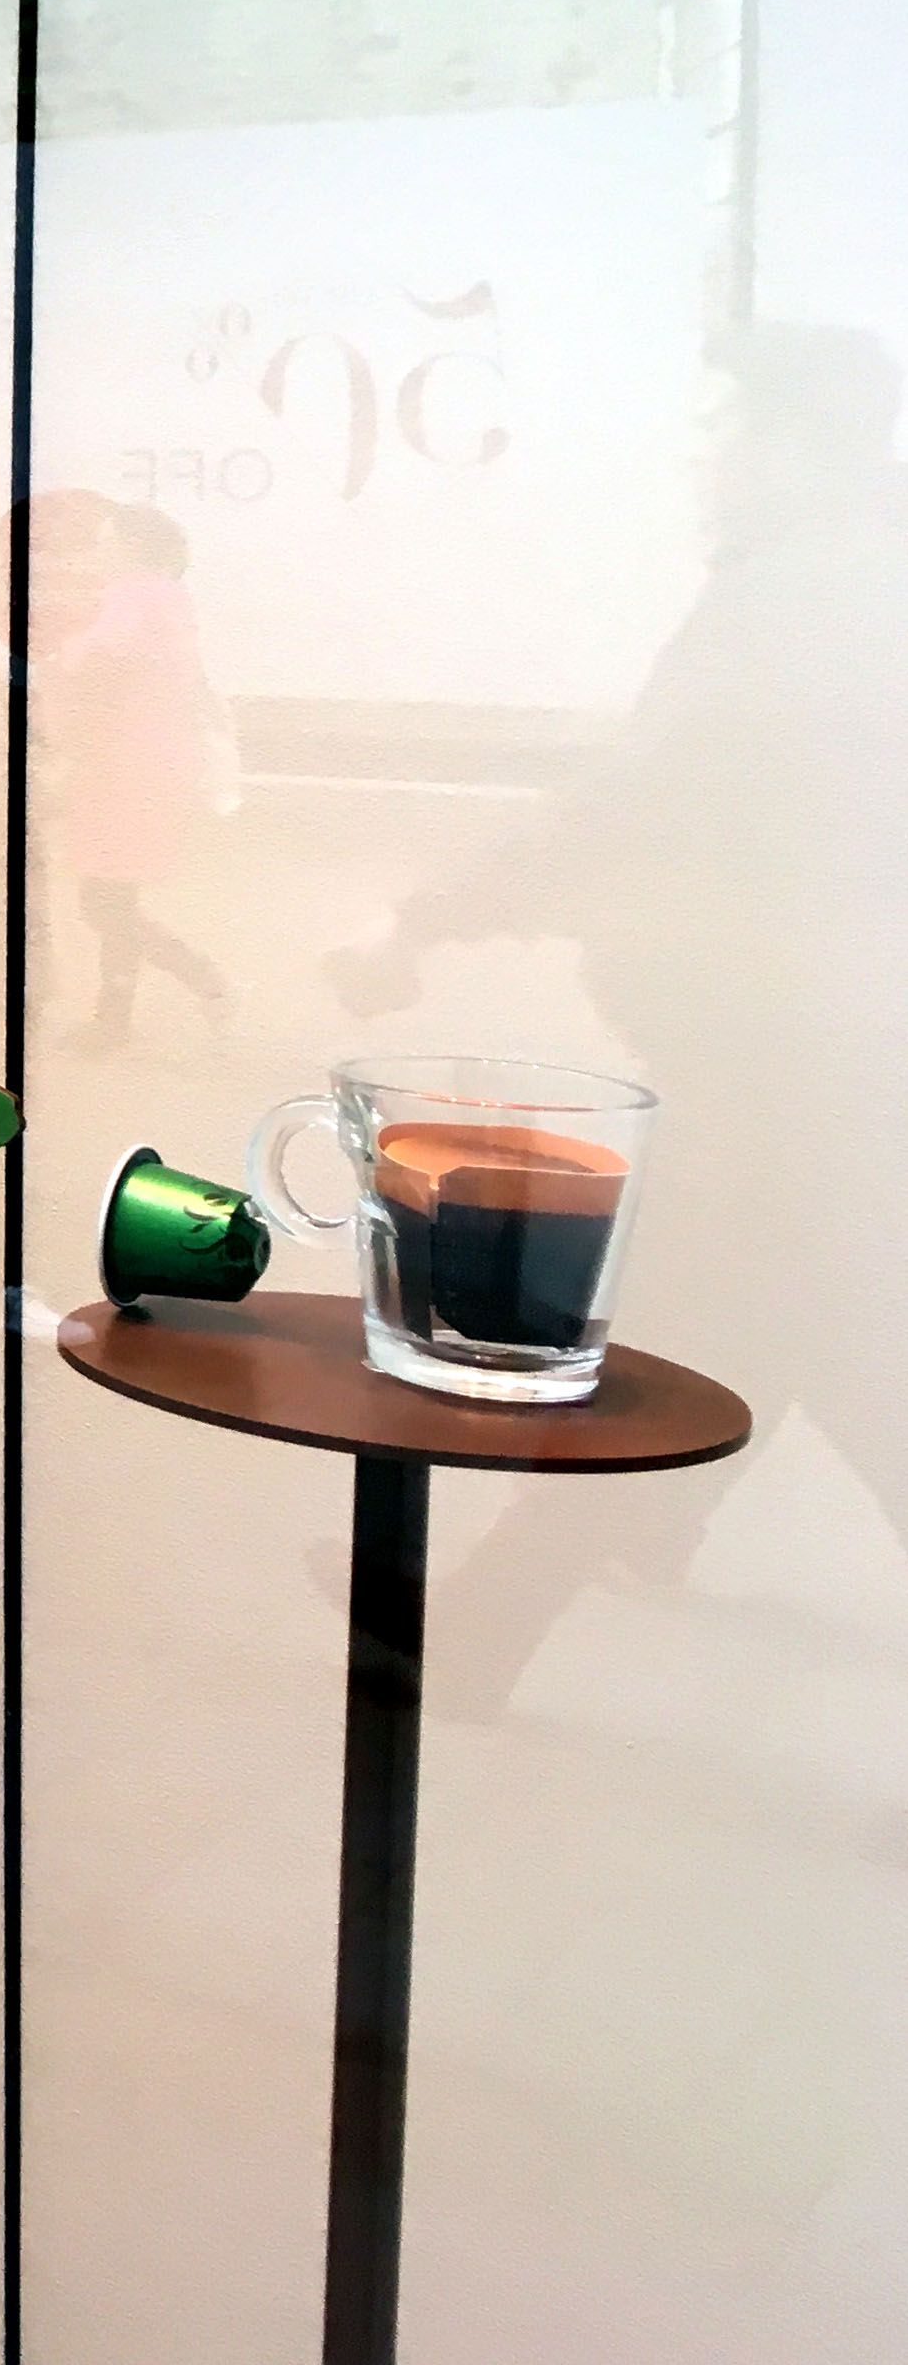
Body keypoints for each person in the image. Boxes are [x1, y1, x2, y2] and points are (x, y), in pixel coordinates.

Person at [329, 323, 908, 1696]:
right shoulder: (853, 581)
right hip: (820, 1043)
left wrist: (426, 916)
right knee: (752, 1322)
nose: (708, 459)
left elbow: (641, 800)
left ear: (796, 449)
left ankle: (488, 1624)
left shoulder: (796, 599)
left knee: (817, 1342)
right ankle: (509, 1611)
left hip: (780, 1049)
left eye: (728, 431)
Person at [54, 496, 228, 1047]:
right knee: (116, 895)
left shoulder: (133, 595)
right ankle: (114, 1019)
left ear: (131, 548)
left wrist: (62, 660)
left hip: (120, 765)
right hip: (154, 762)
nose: (97, 553)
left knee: (102, 900)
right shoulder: (172, 599)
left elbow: (99, 658)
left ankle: (203, 980)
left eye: (105, 542)